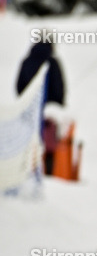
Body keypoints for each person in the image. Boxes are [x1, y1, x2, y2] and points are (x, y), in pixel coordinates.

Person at [16, 39, 66, 175]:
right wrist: (57, 104)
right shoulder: (53, 62)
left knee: (27, 143)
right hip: (48, 113)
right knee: (48, 144)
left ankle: (26, 170)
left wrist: (24, 102)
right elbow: (59, 86)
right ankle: (48, 170)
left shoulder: (26, 62)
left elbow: (19, 86)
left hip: (28, 110)